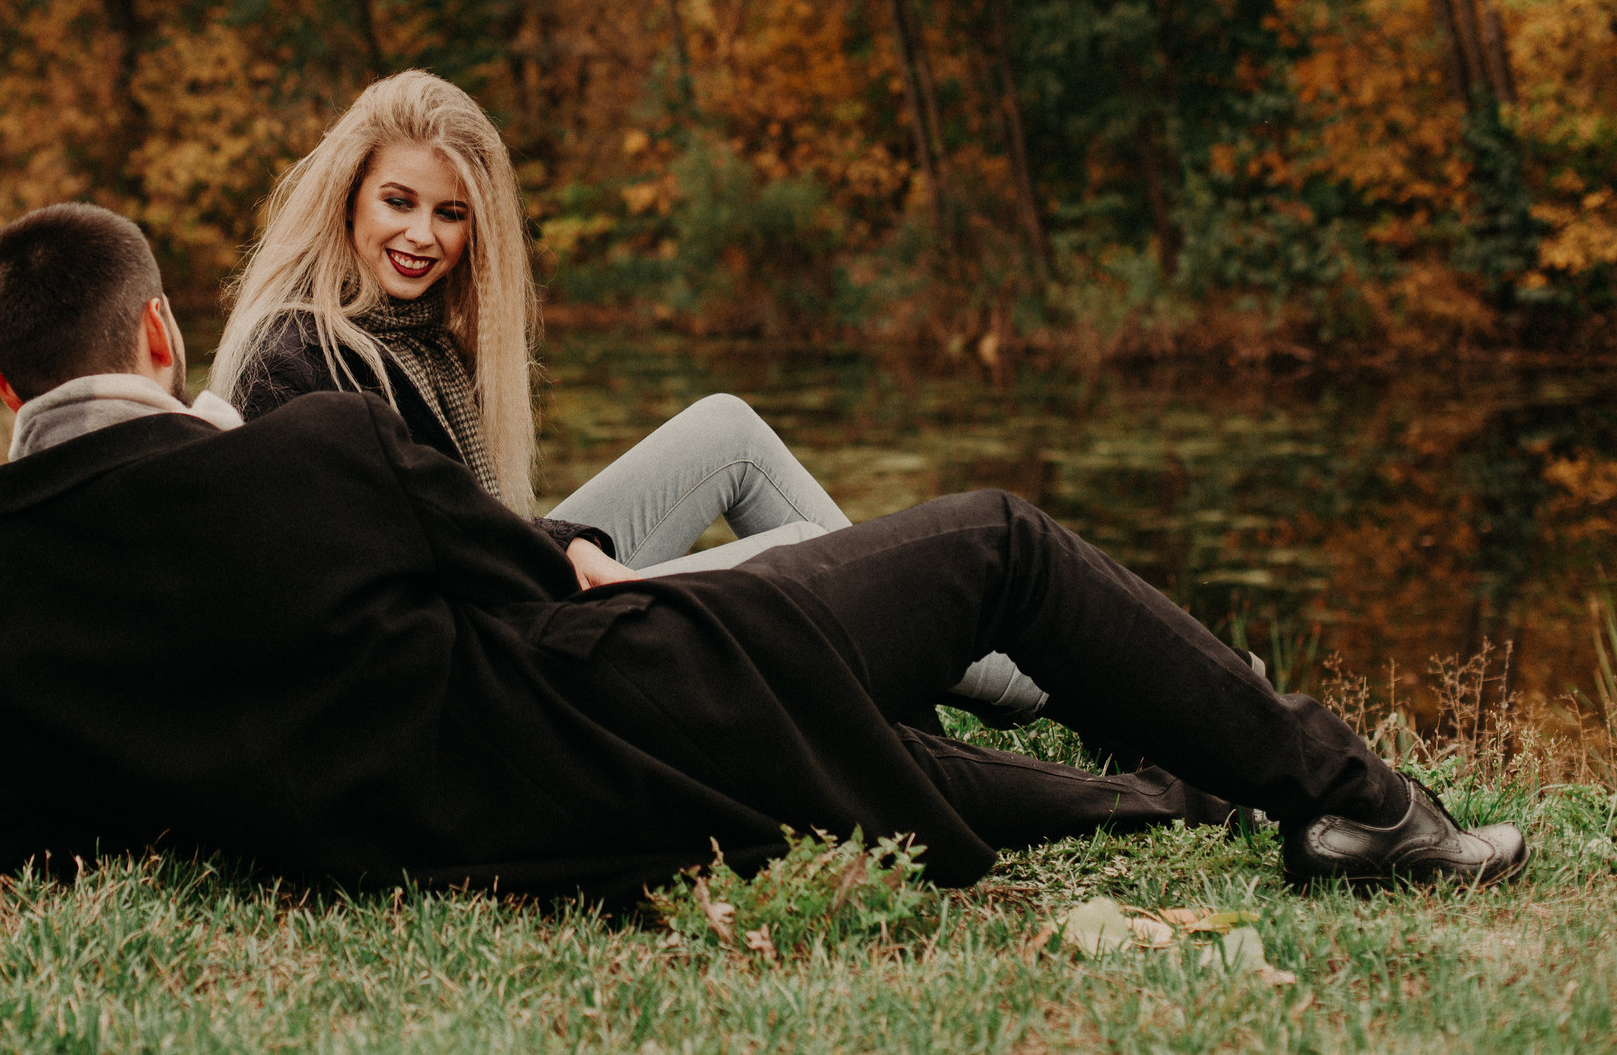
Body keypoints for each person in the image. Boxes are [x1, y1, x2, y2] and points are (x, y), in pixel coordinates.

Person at [0, 203, 1528, 904]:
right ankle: (1350, 798)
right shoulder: (320, 450)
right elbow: (545, 582)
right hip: (640, 726)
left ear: (4, 384)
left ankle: (1191, 780)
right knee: (999, 540)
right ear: (162, 330)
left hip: (591, 816)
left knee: (993, 779)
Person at [210, 70, 1046, 722]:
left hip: (506, 598)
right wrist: (564, 553)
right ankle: (1037, 679)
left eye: (451, 212)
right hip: (474, 662)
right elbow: (409, 559)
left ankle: (994, 661)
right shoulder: (298, 357)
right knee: (802, 556)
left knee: (727, 427)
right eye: (399, 201)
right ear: (349, 193)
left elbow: (462, 518)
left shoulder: (419, 334)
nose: (422, 234)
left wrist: (558, 545)